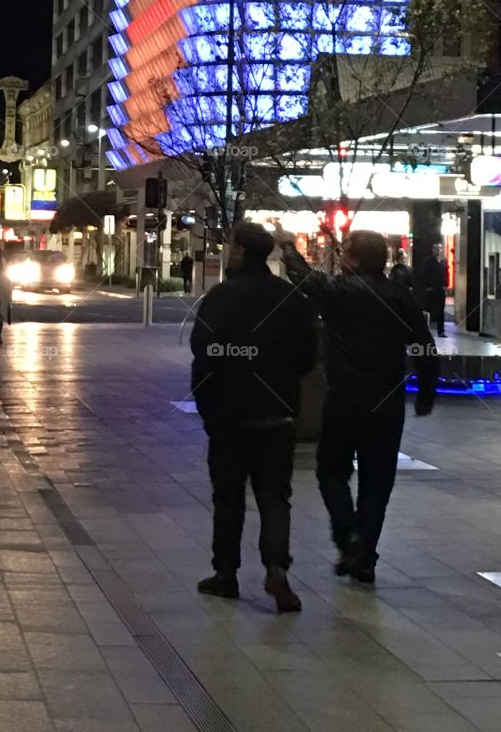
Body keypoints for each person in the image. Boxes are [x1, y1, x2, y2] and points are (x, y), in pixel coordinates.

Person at [276, 229, 438, 585]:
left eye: (345, 253)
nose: (341, 258)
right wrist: (426, 394)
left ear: (357, 260)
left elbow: (302, 277)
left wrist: (287, 244)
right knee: (377, 482)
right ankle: (364, 555)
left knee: (331, 471)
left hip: (344, 398)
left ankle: (348, 535)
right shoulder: (401, 298)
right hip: (386, 402)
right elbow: (425, 348)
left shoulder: (338, 292)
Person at [190, 222, 317, 612]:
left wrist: (208, 407)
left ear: (241, 251)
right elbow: (307, 358)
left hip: (230, 416)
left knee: (228, 499)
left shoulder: (222, 297)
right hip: (276, 416)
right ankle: (277, 568)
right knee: (275, 498)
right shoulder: (290, 298)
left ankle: (226, 573)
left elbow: (203, 351)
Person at [418, 241, 449, 337]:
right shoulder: (428, 261)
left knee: (441, 310)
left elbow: (446, 274)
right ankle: (424, 329)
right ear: (432, 250)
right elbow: (424, 274)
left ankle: (441, 331)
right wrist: (427, 286)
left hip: (441, 289)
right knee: (428, 309)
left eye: (440, 248)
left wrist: (446, 285)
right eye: (436, 248)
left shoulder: (444, 261)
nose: (438, 250)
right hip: (431, 288)